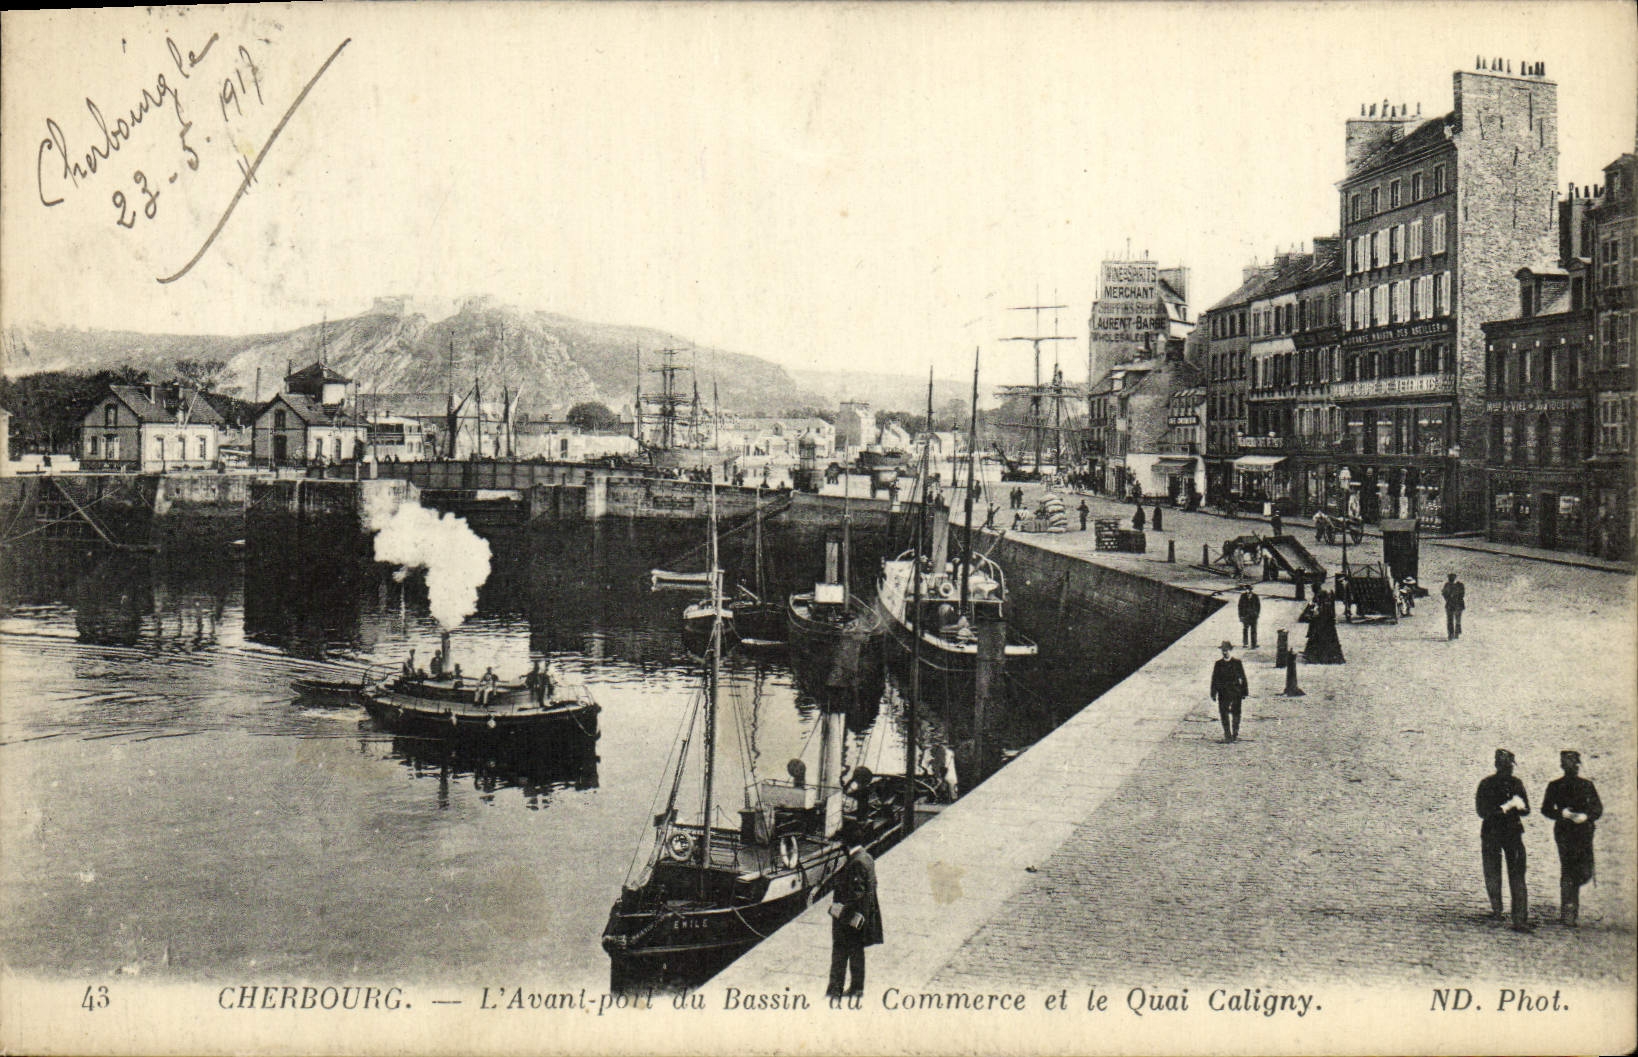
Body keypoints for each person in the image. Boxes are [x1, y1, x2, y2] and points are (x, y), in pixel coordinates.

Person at [1541, 750, 1602, 927]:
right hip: (1564, 832)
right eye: (1567, 764)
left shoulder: (1587, 785)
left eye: (1574, 764)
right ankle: (1568, 910)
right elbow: (1546, 809)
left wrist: (1586, 816)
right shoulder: (1555, 786)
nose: (1572, 767)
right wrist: (1562, 813)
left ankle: (1570, 905)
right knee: (1568, 868)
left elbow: (1597, 809)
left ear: (1578, 765)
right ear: (1562, 766)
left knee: (1584, 870)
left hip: (1584, 832)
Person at [1476, 749, 1531, 931]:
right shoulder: (1487, 784)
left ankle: (1517, 916)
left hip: (1511, 833)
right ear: (1498, 766)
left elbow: (1526, 809)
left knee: (1515, 874)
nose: (1508, 770)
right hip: (1495, 832)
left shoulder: (1516, 784)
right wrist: (1505, 808)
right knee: (1494, 872)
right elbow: (1482, 811)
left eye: (1509, 767)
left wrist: (1520, 806)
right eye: (1505, 766)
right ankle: (1499, 910)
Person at [826, 828, 882, 997]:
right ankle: (857, 988)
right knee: (857, 953)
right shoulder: (867, 857)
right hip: (863, 916)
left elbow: (856, 894)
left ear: (846, 843)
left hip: (850, 918)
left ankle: (835, 990)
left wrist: (841, 912)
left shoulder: (856, 862)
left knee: (840, 951)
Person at [1209, 641, 1248, 743]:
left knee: (1236, 713)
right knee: (1224, 714)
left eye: (1226, 650)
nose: (1224, 652)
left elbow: (1243, 677)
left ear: (1230, 650)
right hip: (1223, 693)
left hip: (1235, 692)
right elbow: (1215, 679)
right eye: (1223, 650)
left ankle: (1235, 734)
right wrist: (1213, 693)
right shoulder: (1218, 664)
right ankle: (1227, 735)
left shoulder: (1237, 663)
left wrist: (1244, 691)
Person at [1302, 585, 1345, 664]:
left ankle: (1316, 657)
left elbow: (1317, 611)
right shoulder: (1325, 599)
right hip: (1328, 624)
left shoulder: (1320, 598)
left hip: (1322, 623)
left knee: (1317, 639)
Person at [1442, 572, 1466, 640]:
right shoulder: (1447, 585)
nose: (1451, 579)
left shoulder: (1459, 585)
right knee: (1451, 620)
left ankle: (1455, 633)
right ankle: (1451, 634)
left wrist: (1452, 597)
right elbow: (1444, 593)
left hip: (1457, 604)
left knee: (1456, 620)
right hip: (1452, 604)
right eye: (1450, 578)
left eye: (1452, 578)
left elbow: (1462, 594)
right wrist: (1448, 599)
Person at [1237, 585, 1261, 649]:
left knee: (1254, 630)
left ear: (1251, 590)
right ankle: (1245, 644)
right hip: (1246, 616)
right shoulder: (1243, 596)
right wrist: (1240, 616)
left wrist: (1257, 614)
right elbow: (1240, 606)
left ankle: (1254, 644)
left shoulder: (1255, 596)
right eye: (1246, 589)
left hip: (1253, 616)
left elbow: (1258, 606)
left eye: (1248, 589)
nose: (1247, 590)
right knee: (1245, 629)